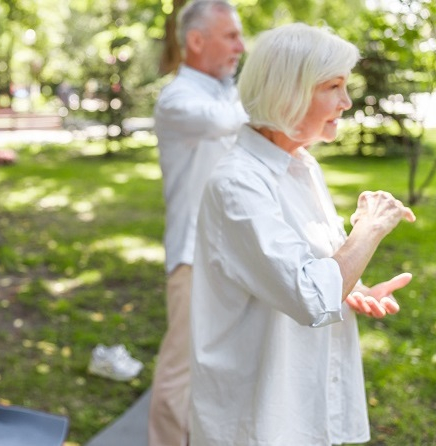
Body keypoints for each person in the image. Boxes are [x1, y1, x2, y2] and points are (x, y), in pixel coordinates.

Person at [189, 23, 416, 445]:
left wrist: (354, 286)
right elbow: (310, 294)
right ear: (287, 91)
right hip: (256, 417)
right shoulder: (238, 183)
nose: (346, 102)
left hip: (299, 401)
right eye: (333, 86)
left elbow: (311, 270)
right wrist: (369, 230)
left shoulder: (300, 164)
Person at [149, 1, 247, 444]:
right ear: (195, 41)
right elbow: (228, 123)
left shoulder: (229, 91)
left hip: (239, 253)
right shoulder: (177, 98)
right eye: (231, 36)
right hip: (194, 256)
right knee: (180, 372)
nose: (240, 47)